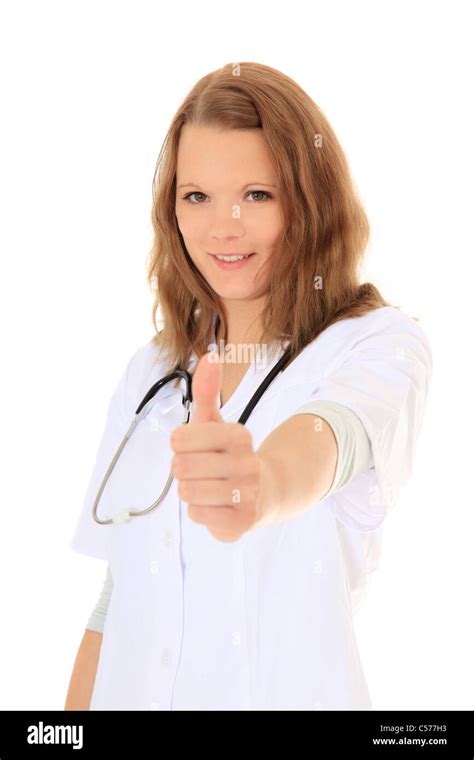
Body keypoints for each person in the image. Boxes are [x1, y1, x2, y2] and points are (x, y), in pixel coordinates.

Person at [65, 61, 433, 711]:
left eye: (256, 194)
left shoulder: (375, 344)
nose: (222, 226)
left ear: (310, 199)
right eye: (196, 195)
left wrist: (262, 484)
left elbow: (331, 438)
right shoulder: (150, 373)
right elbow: (114, 600)